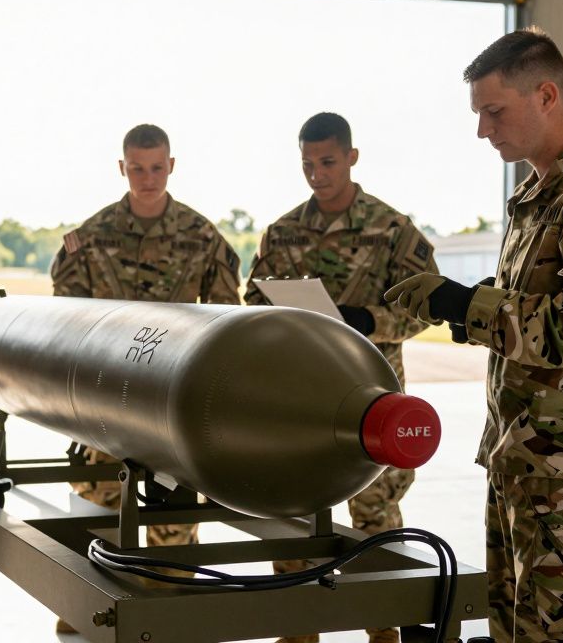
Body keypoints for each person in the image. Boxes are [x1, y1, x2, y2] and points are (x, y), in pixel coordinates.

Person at [386, 27, 563, 642]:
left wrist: (470, 302)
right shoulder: (540, 196)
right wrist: (458, 309)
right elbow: (530, 313)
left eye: (494, 111)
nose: (483, 130)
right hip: (528, 457)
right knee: (517, 630)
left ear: (545, 95)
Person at [245, 111, 437, 643]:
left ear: (352, 157)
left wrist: (369, 320)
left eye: (327, 162)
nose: (316, 174)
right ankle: (298, 630)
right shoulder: (281, 233)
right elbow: (250, 305)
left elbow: (427, 307)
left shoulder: (394, 230)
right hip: (296, 401)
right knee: (294, 514)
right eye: (307, 164)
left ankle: (384, 629)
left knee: (375, 517)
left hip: (370, 399)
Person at [48, 123, 241, 635]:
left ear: (171, 165)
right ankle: (83, 624)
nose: (147, 178)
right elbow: (64, 321)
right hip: (100, 409)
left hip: (170, 412)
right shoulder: (90, 238)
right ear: (122, 167)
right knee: (91, 526)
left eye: (157, 167)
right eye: (137, 168)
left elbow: (228, 322)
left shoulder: (203, 238)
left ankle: (170, 625)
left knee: (173, 537)